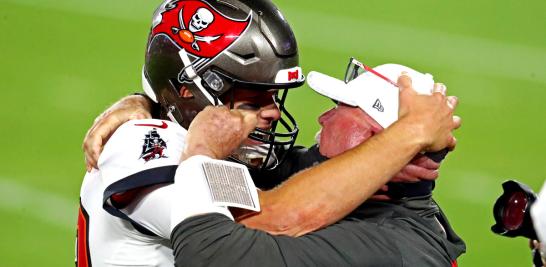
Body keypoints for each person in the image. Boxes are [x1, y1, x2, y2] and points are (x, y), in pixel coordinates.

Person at [77, 0, 463, 265]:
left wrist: (410, 131)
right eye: (252, 98)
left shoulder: (393, 245)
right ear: (190, 88)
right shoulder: (138, 144)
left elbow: (246, 231)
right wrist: (143, 101)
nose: (275, 113)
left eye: (271, 97)